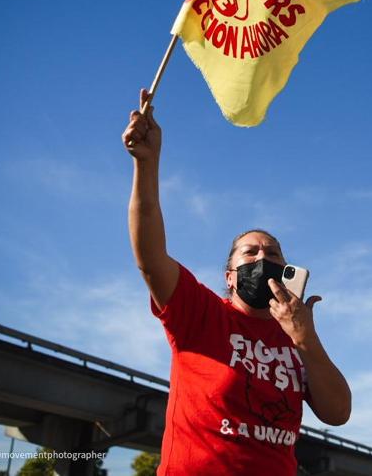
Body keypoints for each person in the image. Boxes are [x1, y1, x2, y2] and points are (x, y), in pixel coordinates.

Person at [123, 89, 351, 475]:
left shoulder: (296, 338)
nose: (263, 258)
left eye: (273, 253)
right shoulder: (200, 313)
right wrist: (147, 164)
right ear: (229, 276)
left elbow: (338, 412)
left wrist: (306, 339)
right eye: (250, 252)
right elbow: (150, 257)